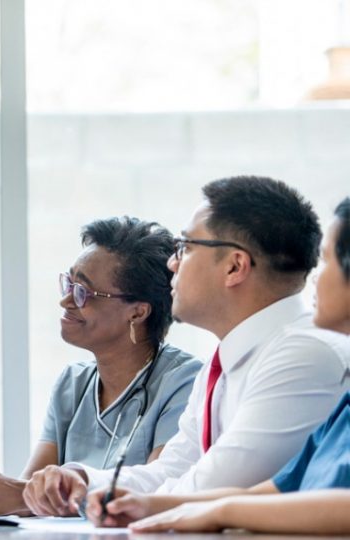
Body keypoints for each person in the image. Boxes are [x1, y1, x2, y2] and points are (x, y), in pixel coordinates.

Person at [23, 175, 350, 517]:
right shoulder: (224, 360)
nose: (172, 263)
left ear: (234, 267)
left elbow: (215, 485)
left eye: (186, 247)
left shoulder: (304, 355)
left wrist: (123, 501)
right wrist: (84, 481)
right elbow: (174, 469)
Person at [0, 217, 200, 515]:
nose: (65, 301)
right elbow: (30, 494)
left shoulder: (184, 382)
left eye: (83, 291)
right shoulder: (72, 383)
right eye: (69, 283)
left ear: (137, 313)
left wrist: (15, 493)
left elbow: (161, 491)